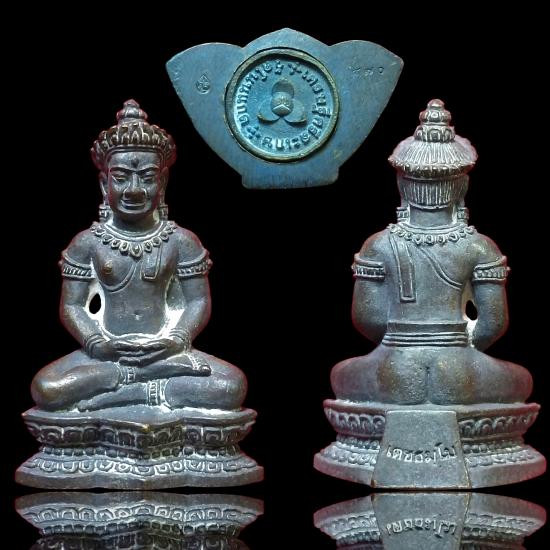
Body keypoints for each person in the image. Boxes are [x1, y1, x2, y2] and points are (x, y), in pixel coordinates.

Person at [31, 100, 246, 412]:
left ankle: (134, 390)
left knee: (231, 386)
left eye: (146, 177)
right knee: (46, 388)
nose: (134, 189)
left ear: (163, 181)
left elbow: (198, 301)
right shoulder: (87, 243)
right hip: (108, 356)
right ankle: (144, 382)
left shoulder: (181, 241)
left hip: (166, 352)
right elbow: (72, 306)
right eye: (121, 177)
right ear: (104, 183)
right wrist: (98, 344)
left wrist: (176, 340)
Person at [331, 100, 532, 405]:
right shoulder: (479, 246)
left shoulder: (378, 244)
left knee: (341, 375)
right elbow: (493, 323)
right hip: (461, 367)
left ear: (402, 185)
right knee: (522, 381)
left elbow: (368, 318)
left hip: (392, 364)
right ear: (462, 187)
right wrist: (459, 346)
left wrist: (403, 345)